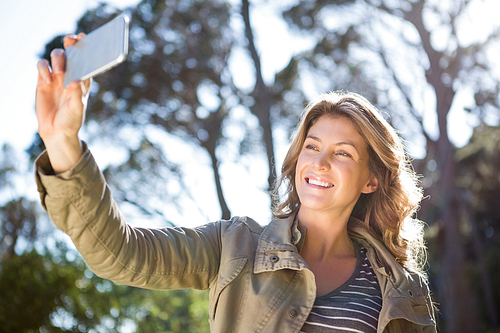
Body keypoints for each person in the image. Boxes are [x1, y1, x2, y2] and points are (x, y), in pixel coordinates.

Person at [35, 34, 436, 332]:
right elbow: (120, 254)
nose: (320, 162)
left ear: (371, 180)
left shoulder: (403, 289)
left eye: (343, 153)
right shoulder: (235, 246)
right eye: (312, 147)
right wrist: (62, 142)